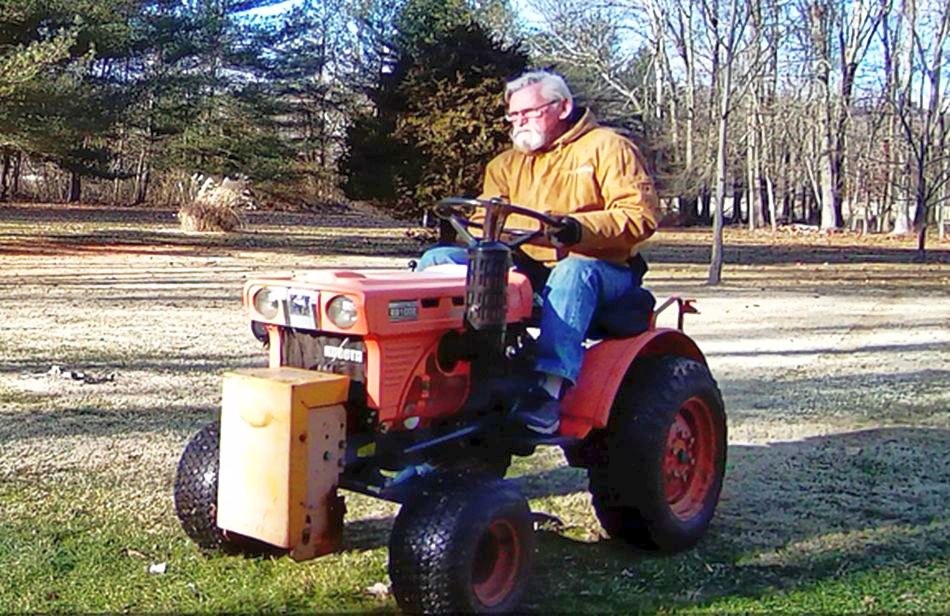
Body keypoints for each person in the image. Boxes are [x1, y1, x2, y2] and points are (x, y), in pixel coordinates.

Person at [418, 70, 660, 434]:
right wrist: (479, 230)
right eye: (513, 116)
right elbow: (486, 219)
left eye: (528, 113)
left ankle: (548, 389)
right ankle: (441, 372)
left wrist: (577, 229)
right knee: (438, 261)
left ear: (562, 107)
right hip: (527, 264)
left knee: (572, 273)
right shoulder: (504, 165)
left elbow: (639, 216)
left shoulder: (607, 148)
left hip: (602, 267)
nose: (518, 123)